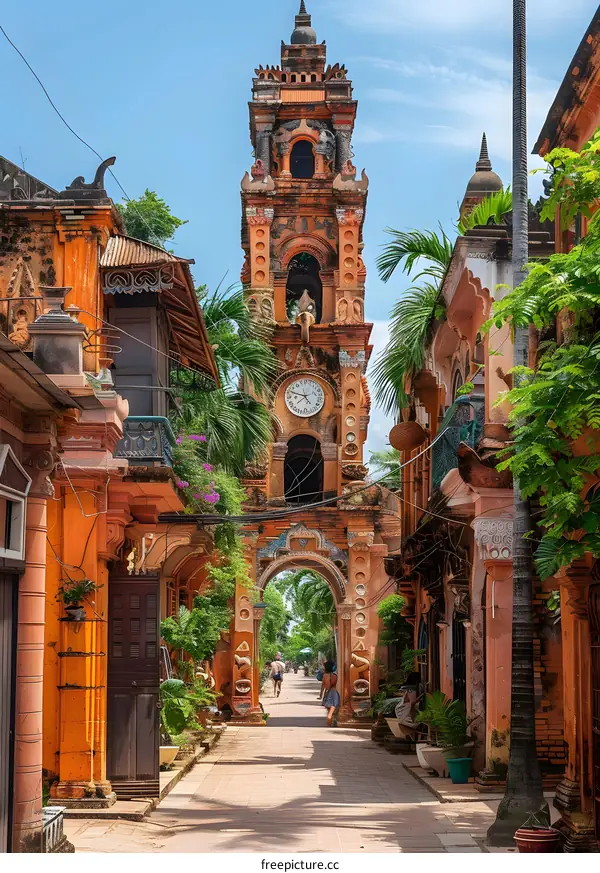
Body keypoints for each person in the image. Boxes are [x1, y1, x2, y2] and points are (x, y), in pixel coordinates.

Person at [320, 660, 340, 727]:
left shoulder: (325, 676)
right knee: (334, 705)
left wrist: (320, 695)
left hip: (327, 692)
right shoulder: (335, 676)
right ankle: (331, 717)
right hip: (334, 692)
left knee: (328, 706)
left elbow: (323, 686)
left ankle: (330, 717)